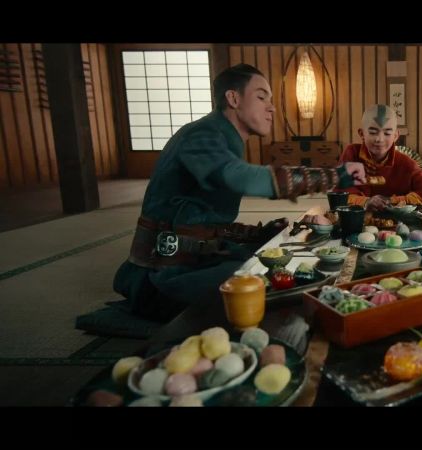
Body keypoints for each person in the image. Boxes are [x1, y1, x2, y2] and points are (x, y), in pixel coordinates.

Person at [113, 64, 365, 321]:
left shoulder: (221, 137)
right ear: (233, 98)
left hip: (194, 260)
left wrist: (256, 234)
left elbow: (203, 221)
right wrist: (334, 175)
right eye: (261, 97)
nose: (271, 108)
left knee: (280, 261)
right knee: (267, 282)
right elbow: (240, 178)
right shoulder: (201, 135)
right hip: (161, 277)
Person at [334, 104, 422, 211]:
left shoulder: (405, 163)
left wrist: (391, 200)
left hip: (395, 220)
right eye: (373, 132)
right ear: (362, 134)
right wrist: (366, 202)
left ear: (395, 136)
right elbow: (339, 195)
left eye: (387, 133)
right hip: (357, 218)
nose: (379, 139)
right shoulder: (352, 153)